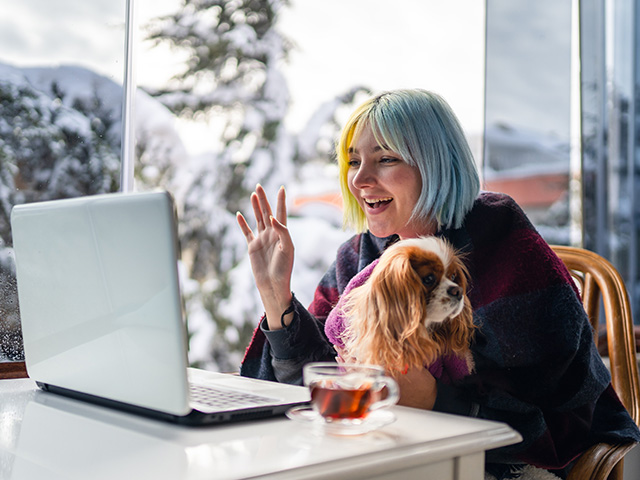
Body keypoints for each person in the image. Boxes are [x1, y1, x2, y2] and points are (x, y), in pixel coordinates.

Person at [235, 89, 640, 479]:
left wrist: (435, 399)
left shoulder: (507, 247)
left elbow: (563, 425)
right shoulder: (359, 255)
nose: (360, 179)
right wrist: (277, 298)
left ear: (436, 164)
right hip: (383, 455)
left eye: (386, 159)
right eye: (353, 160)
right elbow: (313, 388)